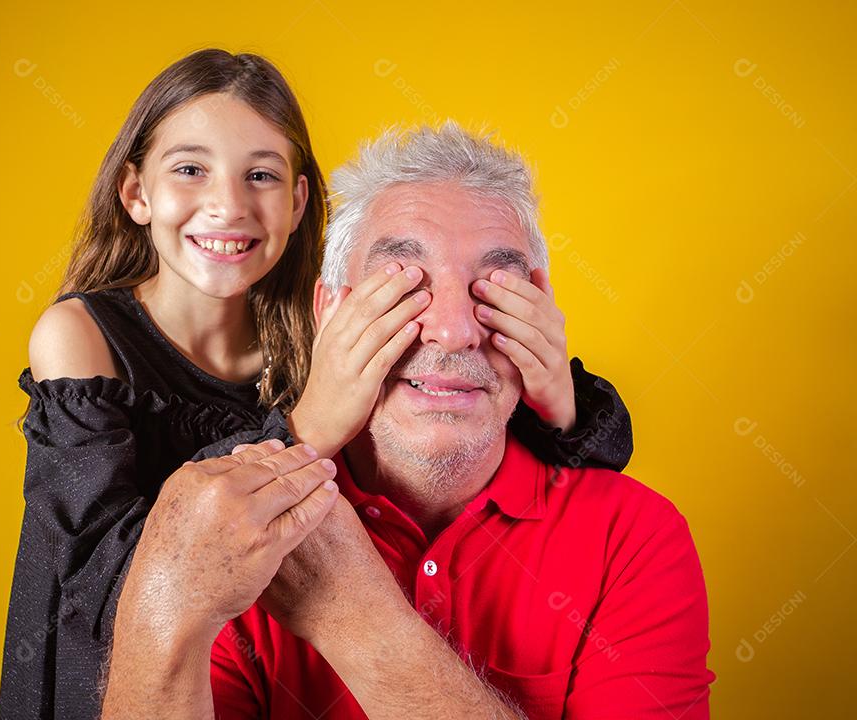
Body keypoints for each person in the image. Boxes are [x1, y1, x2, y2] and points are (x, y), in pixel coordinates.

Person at [0, 50, 633, 719]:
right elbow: (112, 587)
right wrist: (309, 429)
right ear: (136, 194)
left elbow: (459, 418)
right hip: (95, 686)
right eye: (190, 169)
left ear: (298, 201)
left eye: (261, 176)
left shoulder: (309, 331)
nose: (228, 205)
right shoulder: (77, 336)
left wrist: (557, 407)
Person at [101, 123, 712, 719]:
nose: (454, 330)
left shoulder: (635, 539)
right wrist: (167, 605)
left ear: (541, 311)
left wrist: (352, 615)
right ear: (330, 310)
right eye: (404, 285)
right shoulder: (235, 529)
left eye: (493, 287)